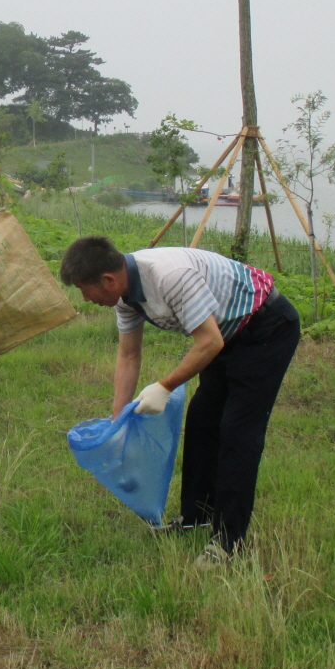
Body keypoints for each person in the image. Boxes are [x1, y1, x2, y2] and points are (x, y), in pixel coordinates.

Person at [59, 237, 301, 568]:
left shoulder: (169, 276)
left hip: (265, 327)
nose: (86, 299)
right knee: (202, 423)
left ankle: (229, 542)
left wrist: (165, 386)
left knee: (237, 433)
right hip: (225, 335)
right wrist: (119, 422)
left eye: (85, 291)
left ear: (107, 280)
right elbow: (128, 355)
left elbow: (209, 341)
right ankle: (196, 518)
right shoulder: (126, 296)